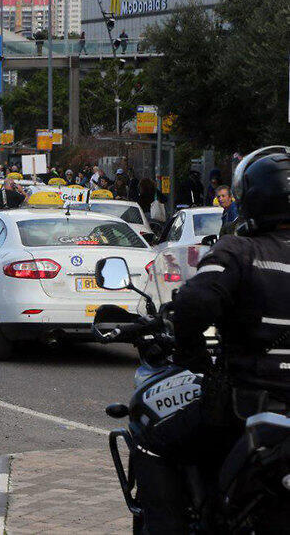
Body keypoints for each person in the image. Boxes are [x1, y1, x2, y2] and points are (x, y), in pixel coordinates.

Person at [146, 146, 290, 531]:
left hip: (251, 403)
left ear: (251, 200)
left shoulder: (240, 250)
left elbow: (194, 304)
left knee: (152, 439)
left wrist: (190, 356)